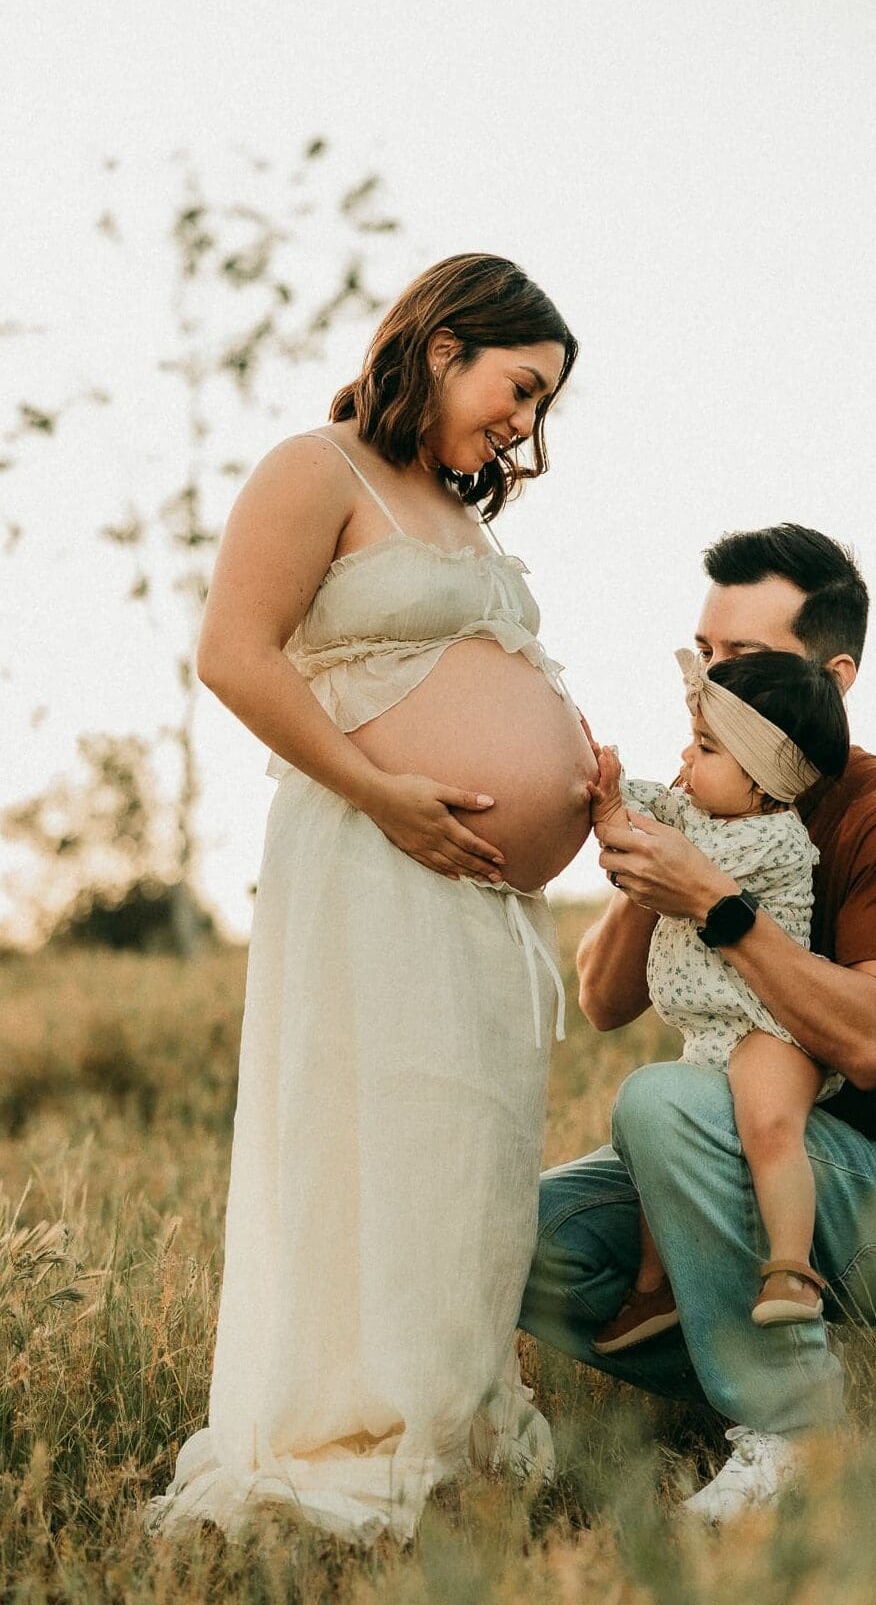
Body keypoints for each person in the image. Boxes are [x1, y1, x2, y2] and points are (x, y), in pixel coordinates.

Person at [145, 254, 598, 1543]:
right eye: (519, 387)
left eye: (543, 406)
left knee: (466, 1151)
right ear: (443, 344)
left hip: (476, 898)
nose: (526, 424)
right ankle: (357, 1426)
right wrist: (386, 789)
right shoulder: (316, 469)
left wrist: (573, 767)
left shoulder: (463, 511)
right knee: (376, 1133)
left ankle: (448, 1418)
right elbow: (234, 654)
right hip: (367, 857)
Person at [519, 525, 876, 1523]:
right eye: (707, 655)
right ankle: (802, 1385)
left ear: (834, 674)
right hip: (722, 1147)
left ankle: (790, 1430)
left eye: (745, 661)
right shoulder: (708, 792)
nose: (710, 683)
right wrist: (666, 857)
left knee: (668, 1099)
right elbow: (604, 999)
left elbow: (871, 1041)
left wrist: (721, 905)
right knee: (509, 1238)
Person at [586, 647, 850, 1357]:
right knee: (657, 1152)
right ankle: (656, 1285)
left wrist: (613, 814)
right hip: (711, 1036)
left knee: (768, 1127)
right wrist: (603, 783)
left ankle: (792, 1270)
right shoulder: (702, 811)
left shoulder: (772, 839)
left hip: (769, 1027)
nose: (684, 757)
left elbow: (662, 851)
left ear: (764, 780)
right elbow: (656, 807)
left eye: (704, 747)